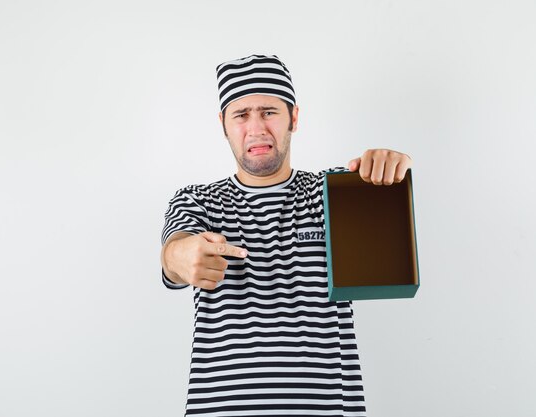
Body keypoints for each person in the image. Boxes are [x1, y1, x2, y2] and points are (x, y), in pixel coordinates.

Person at [160, 54, 413, 417]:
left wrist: (389, 168)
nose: (256, 128)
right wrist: (179, 257)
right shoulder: (198, 201)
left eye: (268, 112)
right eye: (241, 115)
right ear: (223, 125)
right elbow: (174, 252)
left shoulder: (333, 194)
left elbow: (388, 213)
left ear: (294, 117)